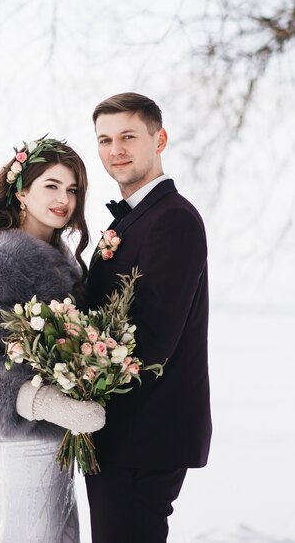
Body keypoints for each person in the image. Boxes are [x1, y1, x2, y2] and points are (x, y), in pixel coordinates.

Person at [0, 138, 105, 543]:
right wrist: (45, 402)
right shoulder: (0, 262)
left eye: (72, 189)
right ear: (23, 192)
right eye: (52, 185)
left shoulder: (63, 262)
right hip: (18, 447)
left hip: (55, 448)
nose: (64, 198)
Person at [86, 93, 212, 543]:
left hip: (145, 434)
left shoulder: (173, 219)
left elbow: (154, 337)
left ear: (159, 139)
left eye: (128, 137)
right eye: (105, 139)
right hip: (122, 436)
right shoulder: (136, 219)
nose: (115, 149)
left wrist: (83, 382)